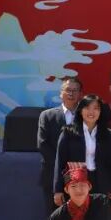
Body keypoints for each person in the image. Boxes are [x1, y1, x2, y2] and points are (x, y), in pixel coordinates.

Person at [53, 94, 111, 205]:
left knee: (97, 214)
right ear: (80, 111)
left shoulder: (107, 134)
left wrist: (110, 187)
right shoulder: (68, 132)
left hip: (99, 182)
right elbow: (60, 161)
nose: (91, 112)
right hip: (76, 181)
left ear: (100, 112)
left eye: (96, 108)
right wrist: (58, 190)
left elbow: (110, 163)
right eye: (87, 108)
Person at [37, 76, 82, 207]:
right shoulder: (47, 115)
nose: (71, 93)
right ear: (61, 93)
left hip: (82, 175)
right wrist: (63, 168)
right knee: (55, 215)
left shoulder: (87, 115)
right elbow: (43, 144)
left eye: (75, 90)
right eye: (68, 90)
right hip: (53, 175)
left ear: (80, 94)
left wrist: (77, 167)